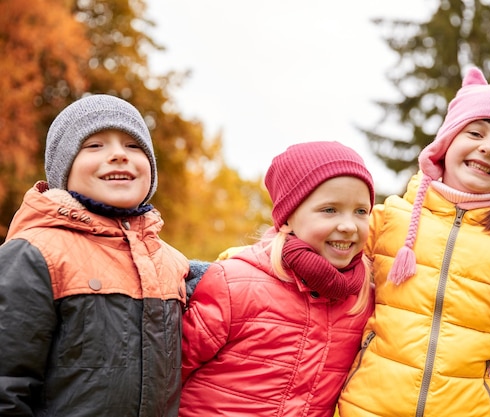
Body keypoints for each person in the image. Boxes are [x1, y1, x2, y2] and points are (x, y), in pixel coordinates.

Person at [338, 68, 490, 416]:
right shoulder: (387, 221)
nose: (488, 148)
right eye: (475, 132)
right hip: (367, 408)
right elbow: (313, 250)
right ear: (445, 143)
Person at [0, 95, 189, 416]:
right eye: (94, 145)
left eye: (133, 146)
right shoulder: (35, 254)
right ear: (65, 168)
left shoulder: (173, 264)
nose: (118, 154)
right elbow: (7, 384)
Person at [179, 141, 375, 417]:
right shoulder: (234, 284)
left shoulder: (362, 302)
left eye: (361, 211)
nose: (348, 225)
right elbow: (167, 373)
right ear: (287, 219)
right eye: (329, 210)